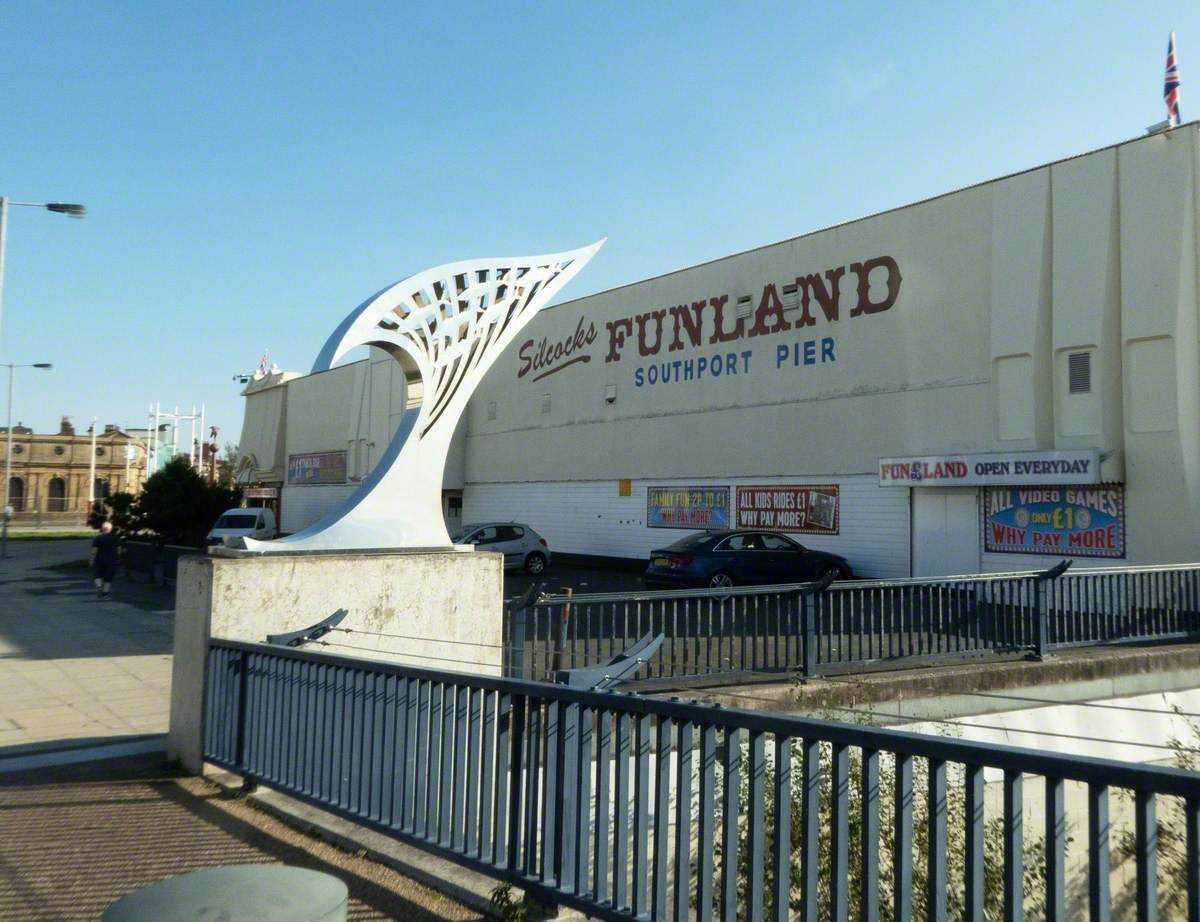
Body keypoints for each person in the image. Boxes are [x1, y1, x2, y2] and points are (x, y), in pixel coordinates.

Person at [91, 521, 119, 599]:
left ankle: (99, 587)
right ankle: (105, 593)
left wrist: (92, 559)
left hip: (99, 560)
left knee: (97, 575)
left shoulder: (98, 538)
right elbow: (119, 549)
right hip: (112, 560)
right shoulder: (115, 538)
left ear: (102, 529)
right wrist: (117, 557)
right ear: (111, 529)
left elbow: (94, 551)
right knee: (109, 577)